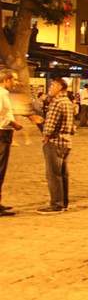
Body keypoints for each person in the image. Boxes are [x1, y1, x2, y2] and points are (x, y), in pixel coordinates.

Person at [38, 78, 76, 214]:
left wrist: (46, 138)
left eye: (52, 86)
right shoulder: (68, 102)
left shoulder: (57, 102)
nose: (49, 88)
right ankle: (63, 202)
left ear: (59, 87)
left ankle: (56, 204)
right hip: (66, 141)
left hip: (55, 141)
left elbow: (50, 124)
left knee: (53, 174)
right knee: (62, 174)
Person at [0, 69, 26, 215]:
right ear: (7, 79)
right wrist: (13, 124)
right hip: (2, 132)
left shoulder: (5, 94)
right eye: (14, 80)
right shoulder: (1, 94)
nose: (16, 83)